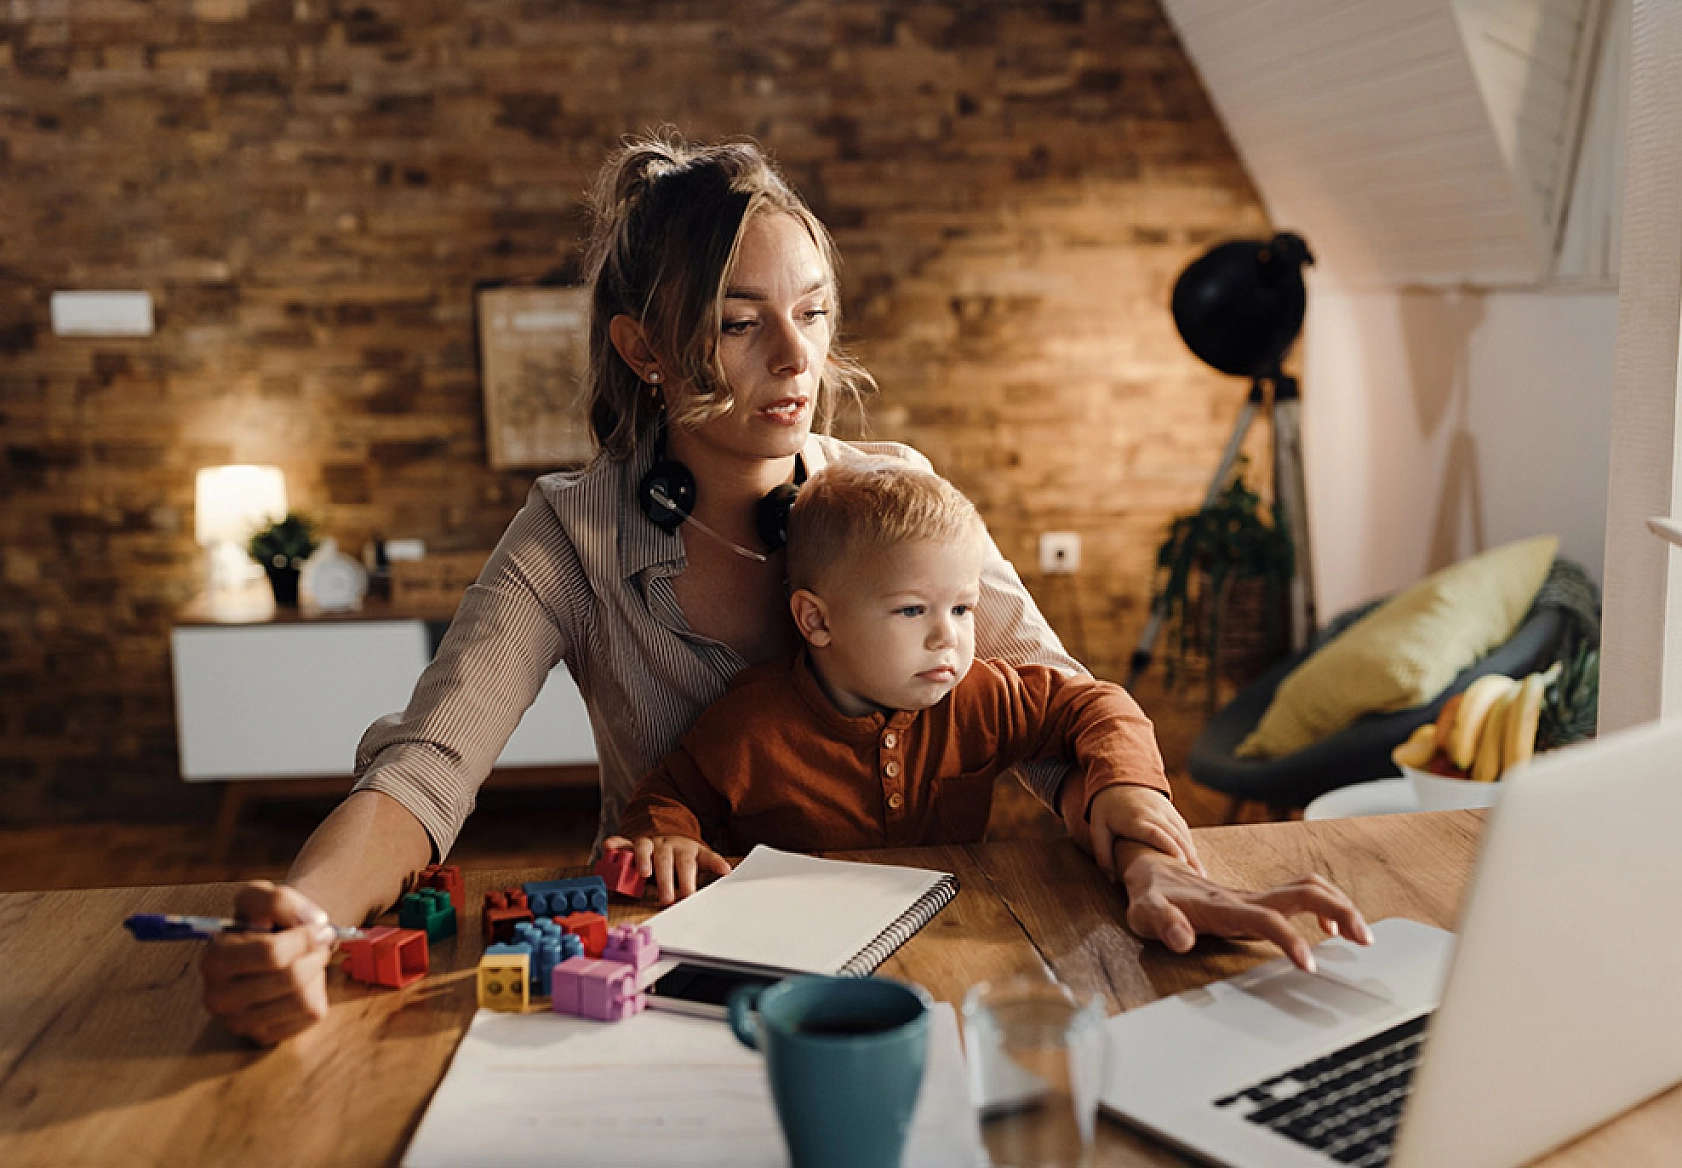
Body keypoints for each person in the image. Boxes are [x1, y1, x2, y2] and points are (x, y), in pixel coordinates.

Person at [201, 133, 1368, 1046]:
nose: (797, 361)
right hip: (676, 967)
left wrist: (1156, 854)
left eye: (811, 314)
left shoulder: (894, 491)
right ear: (643, 349)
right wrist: (307, 921)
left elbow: (1061, 708)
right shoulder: (568, 531)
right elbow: (425, 767)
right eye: (739, 323)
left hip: (932, 955)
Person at [617, 459, 1206, 901]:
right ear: (816, 620)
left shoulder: (979, 695)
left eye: (961, 609)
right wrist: (667, 837)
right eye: (911, 611)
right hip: (799, 950)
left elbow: (1097, 704)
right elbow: (667, 797)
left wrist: (1123, 787)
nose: (946, 637)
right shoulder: (750, 728)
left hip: (959, 929)